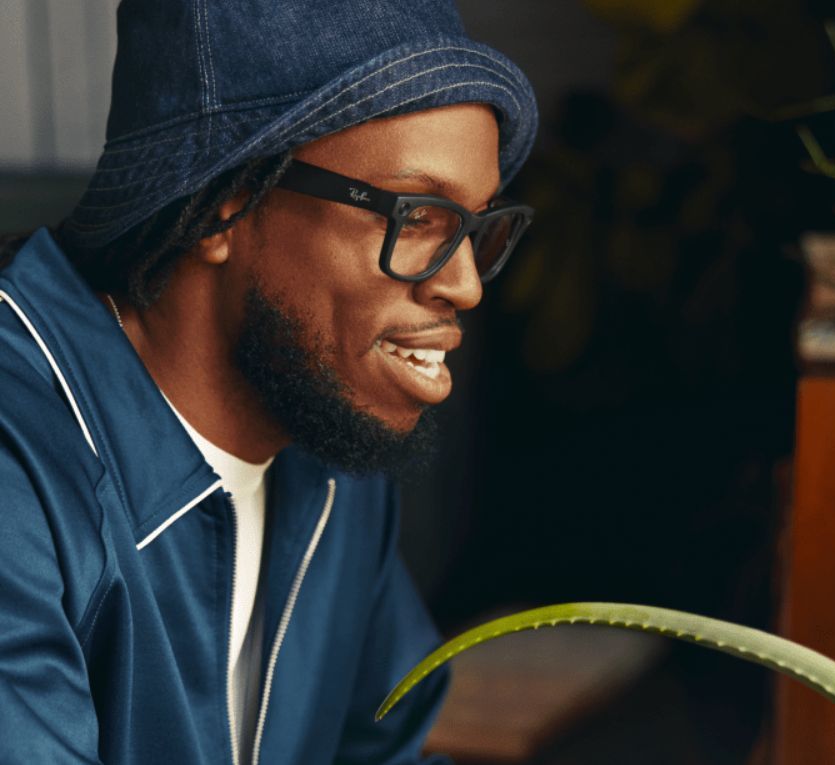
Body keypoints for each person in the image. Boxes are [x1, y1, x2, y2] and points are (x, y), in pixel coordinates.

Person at [0, 1, 536, 763]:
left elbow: (382, 751)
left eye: (478, 227)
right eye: (417, 216)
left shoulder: (328, 442)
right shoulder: (20, 470)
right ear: (221, 208)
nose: (467, 284)